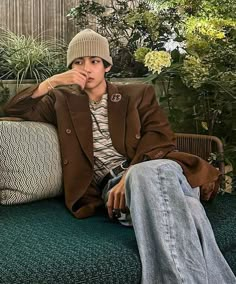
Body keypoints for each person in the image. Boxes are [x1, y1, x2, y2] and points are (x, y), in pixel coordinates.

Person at [4, 29, 236, 284]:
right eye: (79, 62)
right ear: (70, 68)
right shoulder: (60, 102)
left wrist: (131, 174)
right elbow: (14, 109)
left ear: (107, 66)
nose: (87, 68)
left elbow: (161, 136)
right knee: (189, 209)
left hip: (162, 170)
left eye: (94, 61)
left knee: (146, 174)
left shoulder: (137, 94)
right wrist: (51, 83)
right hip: (114, 191)